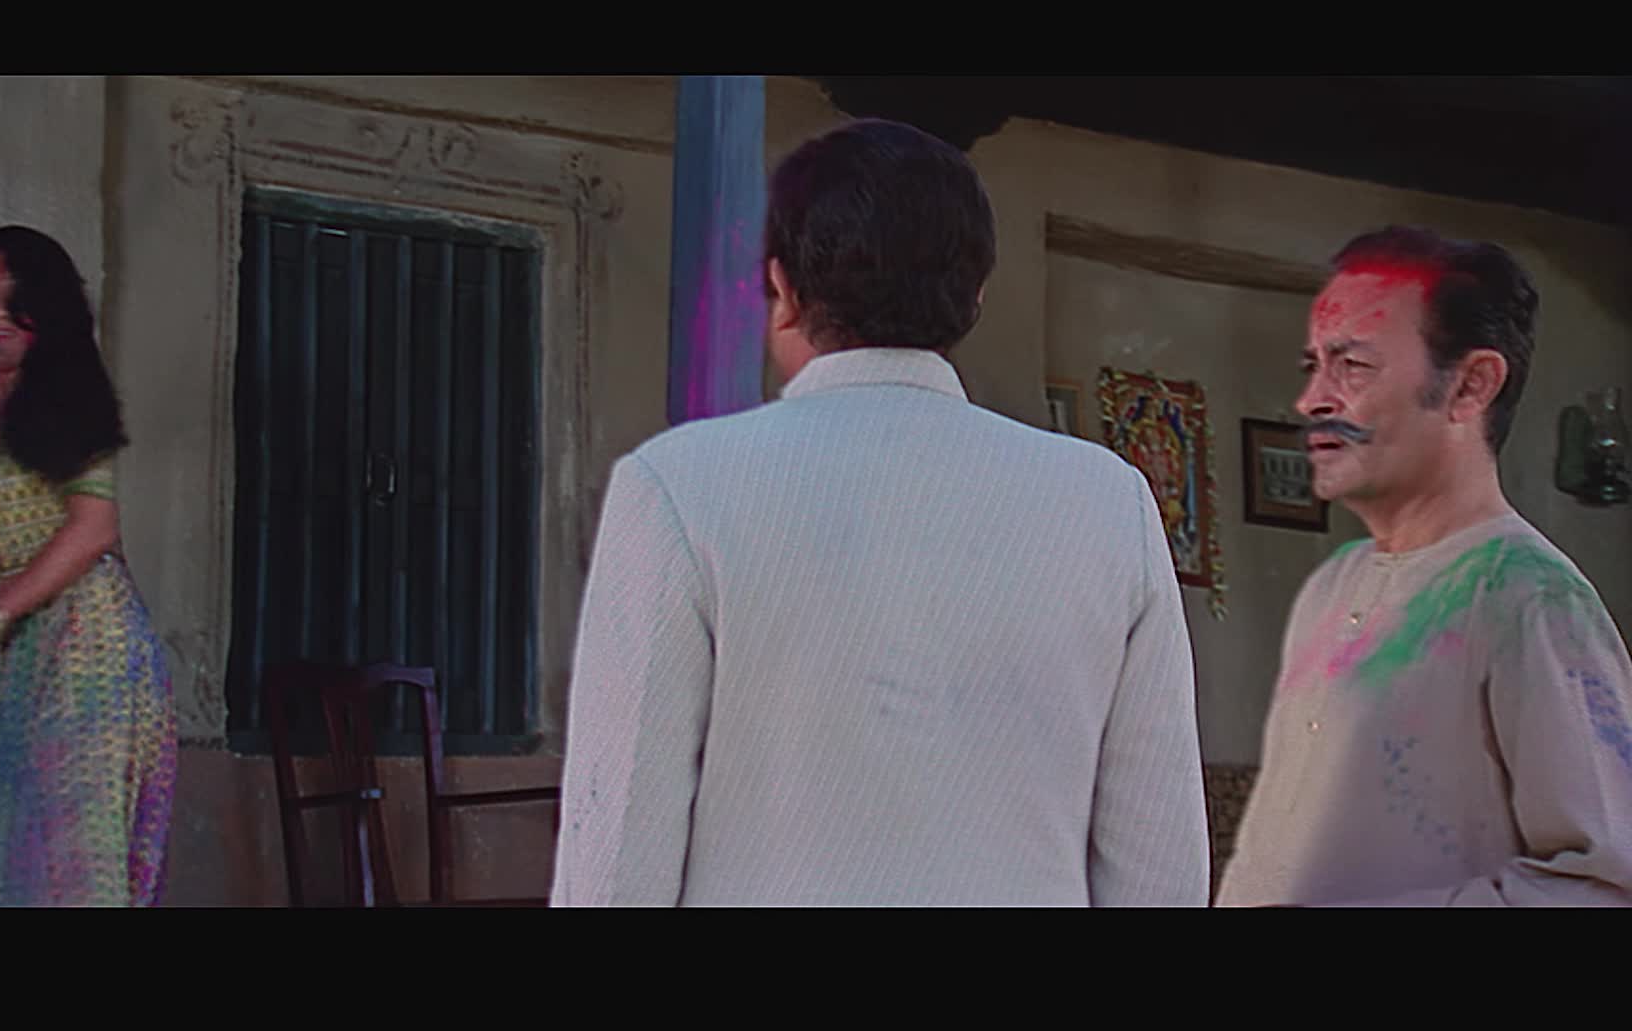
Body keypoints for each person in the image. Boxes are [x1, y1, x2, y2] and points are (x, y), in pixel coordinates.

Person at [549, 119, 1209, 906]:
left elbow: (618, 845)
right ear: (975, 295)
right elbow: (1159, 863)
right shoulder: (1107, 504)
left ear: (784, 291)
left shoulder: (677, 488)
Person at [1218, 226, 1632, 906]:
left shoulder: (1530, 597)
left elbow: (1604, 888)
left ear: (1470, 386)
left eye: (1353, 365)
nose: (1311, 400)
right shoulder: (1332, 586)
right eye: (1313, 366)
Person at [0, 225, 177, 906]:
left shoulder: (66, 396)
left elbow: (94, 528)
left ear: (46, 315)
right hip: (12, 656)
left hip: (83, 654)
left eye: (14, 300)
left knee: (62, 867)